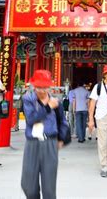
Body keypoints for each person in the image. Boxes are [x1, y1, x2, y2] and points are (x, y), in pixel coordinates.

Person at [21, 70, 69, 199]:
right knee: (28, 185)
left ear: (49, 87)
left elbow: (63, 122)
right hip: (32, 143)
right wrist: (47, 107)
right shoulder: (28, 99)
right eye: (39, 87)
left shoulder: (56, 101)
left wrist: (61, 139)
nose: (42, 90)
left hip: (50, 142)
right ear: (33, 86)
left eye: (44, 87)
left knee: (49, 187)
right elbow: (31, 119)